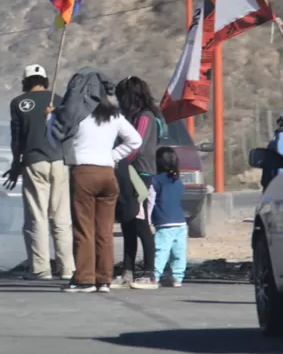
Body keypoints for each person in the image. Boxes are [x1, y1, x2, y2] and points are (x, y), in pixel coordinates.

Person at [48, 69, 142, 293]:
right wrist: (113, 156)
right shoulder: (114, 115)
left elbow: (53, 138)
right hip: (108, 175)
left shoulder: (76, 115)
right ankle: (104, 279)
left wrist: (50, 117)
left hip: (83, 173)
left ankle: (84, 279)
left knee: (84, 228)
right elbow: (135, 140)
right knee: (104, 230)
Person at [4, 64, 74, 281]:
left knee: (37, 216)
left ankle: (40, 268)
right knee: (61, 217)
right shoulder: (59, 99)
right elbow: (70, 130)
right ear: (44, 80)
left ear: (26, 82)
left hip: (34, 162)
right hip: (59, 161)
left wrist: (16, 165)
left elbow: (17, 141)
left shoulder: (18, 103)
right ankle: (67, 269)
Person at [115, 76, 163, 289]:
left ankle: (150, 273)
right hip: (130, 172)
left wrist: (116, 158)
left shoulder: (145, 117)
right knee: (128, 223)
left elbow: (137, 147)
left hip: (141, 174)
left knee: (141, 222)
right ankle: (128, 272)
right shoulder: (132, 117)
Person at [139, 146, 187, 289]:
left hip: (164, 222)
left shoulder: (155, 180)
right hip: (181, 222)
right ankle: (177, 277)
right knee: (178, 252)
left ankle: (154, 276)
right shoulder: (177, 180)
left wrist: (147, 219)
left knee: (160, 250)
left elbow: (151, 201)